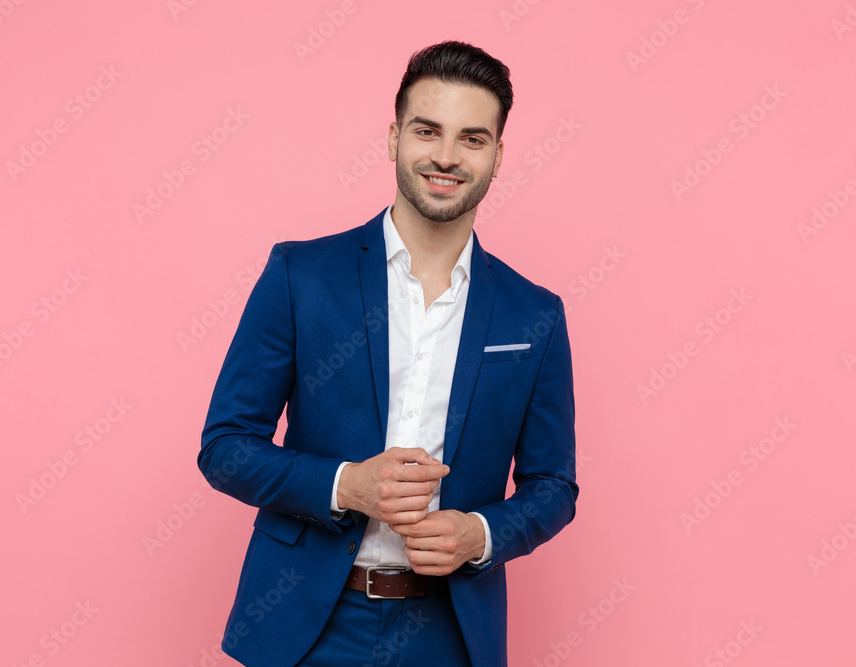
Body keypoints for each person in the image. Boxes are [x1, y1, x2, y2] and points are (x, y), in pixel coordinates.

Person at [199, 40, 578, 667]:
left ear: (499, 155)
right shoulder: (301, 276)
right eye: (428, 131)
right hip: (306, 626)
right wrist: (346, 485)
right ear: (395, 135)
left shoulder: (534, 314)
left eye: (473, 139)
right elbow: (225, 447)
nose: (447, 157)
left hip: (449, 632)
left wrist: (478, 534)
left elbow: (553, 485)